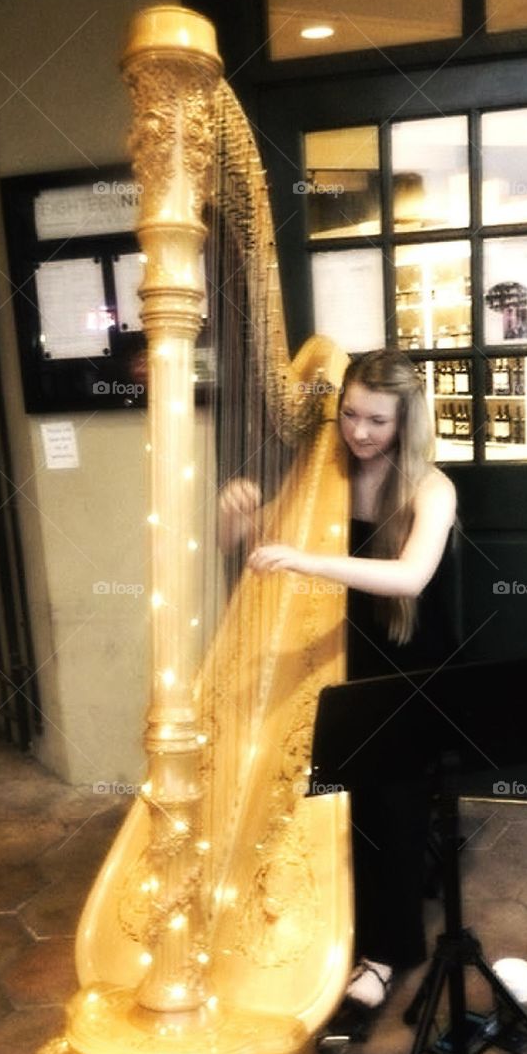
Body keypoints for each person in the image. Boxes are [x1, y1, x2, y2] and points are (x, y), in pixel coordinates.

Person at [219, 348, 458, 1011]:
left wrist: (306, 559)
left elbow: (409, 578)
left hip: (406, 664)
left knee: (388, 797)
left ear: (406, 422)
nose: (358, 432)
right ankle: (327, 917)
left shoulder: (431, 488)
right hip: (336, 655)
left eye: (377, 422)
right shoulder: (322, 477)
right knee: (324, 789)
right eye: (350, 414)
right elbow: (266, 548)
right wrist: (238, 521)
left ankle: (386, 953)